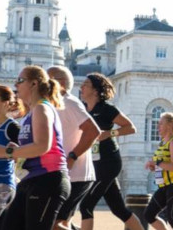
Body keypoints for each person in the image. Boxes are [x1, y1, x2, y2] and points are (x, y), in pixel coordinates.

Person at [0, 66, 71, 229]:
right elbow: (32, 148)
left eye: (20, 81)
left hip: (49, 179)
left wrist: (6, 151)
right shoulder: (31, 113)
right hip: (31, 179)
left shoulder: (42, 108)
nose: (16, 85)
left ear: (34, 84)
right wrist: (15, 149)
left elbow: (42, 146)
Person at [77, 73, 144, 230]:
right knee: (118, 209)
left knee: (86, 205)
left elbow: (131, 127)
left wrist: (109, 133)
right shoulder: (81, 108)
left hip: (109, 162)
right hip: (93, 162)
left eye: (85, 84)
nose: (81, 87)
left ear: (95, 90)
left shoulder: (107, 109)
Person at [47, 66, 102, 230]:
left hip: (77, 175)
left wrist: (72, 156)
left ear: (61, 83)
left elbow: (93, 131)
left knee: (56, 224)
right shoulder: (52, 105)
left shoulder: (69, 103)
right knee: (61, 223)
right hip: (62, 174)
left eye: (47, 80)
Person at [144, 112, 173, 230]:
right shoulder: (163, 143)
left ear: (169, 126)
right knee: (149, 214)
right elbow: (164, 165)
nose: (157, 127)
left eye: (160, 124)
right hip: (165, 184)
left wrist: (157, 163)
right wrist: (154, 167)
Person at [0, 85, 21, 222]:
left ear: (6, 103)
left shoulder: (12, 127)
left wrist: (12, 152)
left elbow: (24, 153)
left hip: (2, 184)